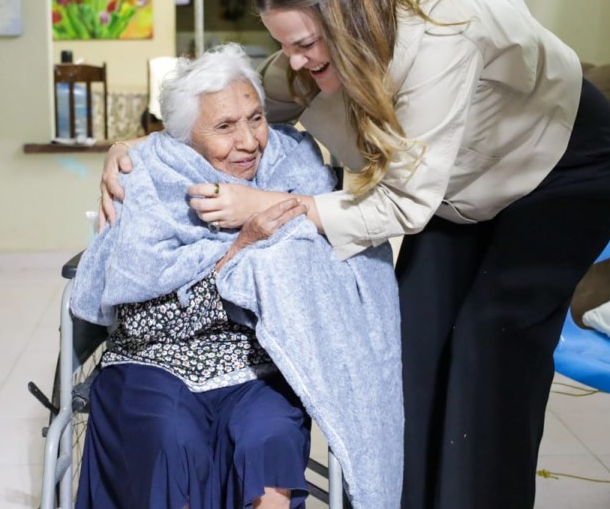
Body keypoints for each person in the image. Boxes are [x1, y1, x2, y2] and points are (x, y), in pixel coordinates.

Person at [100, 0, 610, 507]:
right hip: (460, 187)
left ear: (345, 14)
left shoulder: (437, 37)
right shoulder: (312, 51)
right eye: (285, 44)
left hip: (560, 169)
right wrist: (137, 150)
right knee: (408, 339)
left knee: (489, 345)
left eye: (303, 43)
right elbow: (225, 110)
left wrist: (280, 207)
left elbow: (404, 202)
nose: (295, 62)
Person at [76, 43, 403, 509]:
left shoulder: (293, 162)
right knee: (173, 440)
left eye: (255, 119)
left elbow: (326, 284)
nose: (248, 141)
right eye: (225, 127)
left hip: (258, 364)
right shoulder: (149, 178)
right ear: (184, 136)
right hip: (153, 364)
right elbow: (146, 322)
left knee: (269, 438)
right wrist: (241, 249)